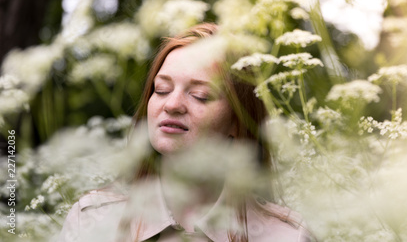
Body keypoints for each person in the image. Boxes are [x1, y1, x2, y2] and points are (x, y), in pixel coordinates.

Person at [57, 23, 312, 242]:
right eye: (162, 89)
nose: (172, 105)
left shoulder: (288, 236)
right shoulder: (91, 219)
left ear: (238, 121)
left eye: (200, 95)